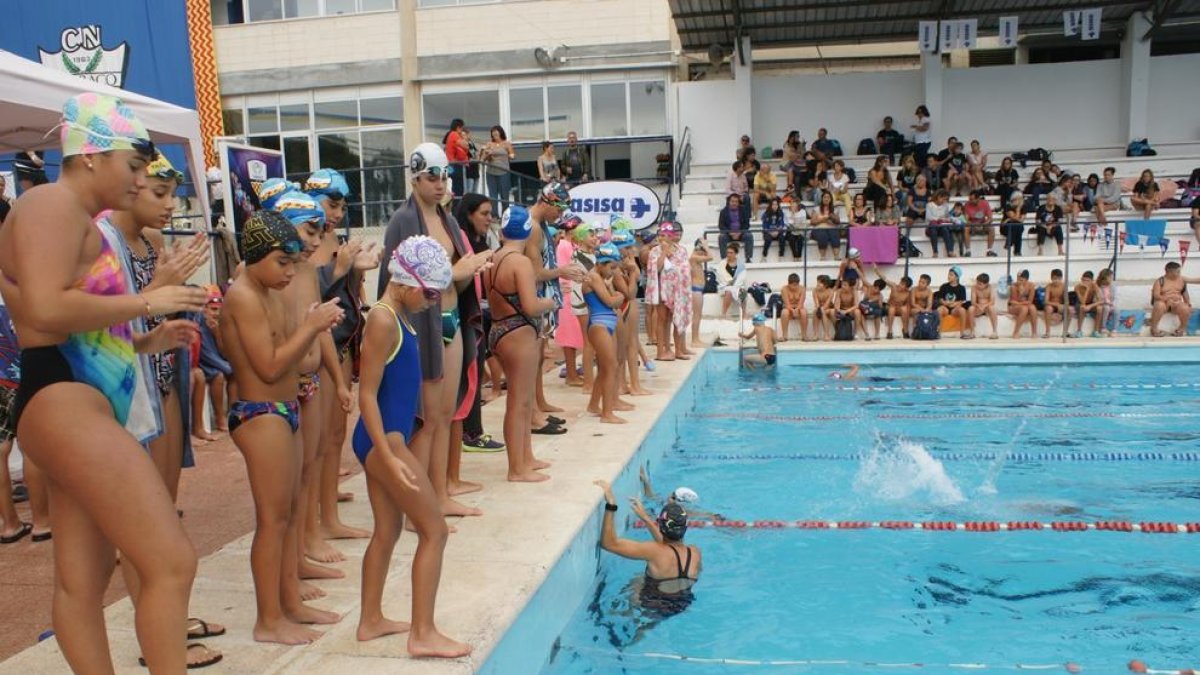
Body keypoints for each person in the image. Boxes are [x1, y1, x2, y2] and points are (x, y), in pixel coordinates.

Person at [0, 93, 210, 671]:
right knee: (169, 560)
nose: (141, 179)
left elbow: (82, 326)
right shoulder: (49, 204)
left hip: (72, 398)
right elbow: (43, 308)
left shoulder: (75, 217)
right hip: (64, 401)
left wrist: (145, 338)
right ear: (92, 155)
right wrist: (147, 298)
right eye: (134, 165)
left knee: (80, 582)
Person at [222, 210, 343, 644]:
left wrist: (314, 325)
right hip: (259, 413)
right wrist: (310, 326)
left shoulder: (269, 289)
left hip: (283, 407)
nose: (289, 271)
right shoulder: (244, 296)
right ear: (254, 257)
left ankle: (290, 603)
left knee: (290, 513)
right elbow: (269, 366)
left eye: (293, 263)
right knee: (272, 520)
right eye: (281, 262)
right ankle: (267, 620)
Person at [350, 234, 471, 658]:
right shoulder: (383, 319)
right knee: (434, 531)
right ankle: (423, 633)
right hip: (384, 443)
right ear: (404, 282)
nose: (433, 301)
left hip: (386, 440)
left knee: (388, 530)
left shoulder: (398, 316)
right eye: (429, 292)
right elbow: (366, 395)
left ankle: (370, 620)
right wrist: (386, 457)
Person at [378, 143, 492, 518]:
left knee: (446, 416)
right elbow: (397, 285)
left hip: (451, 319)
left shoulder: (450, 222)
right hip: (423, 325)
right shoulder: (402, 222)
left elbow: (453, 284)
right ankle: (418, 504)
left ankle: (439, 494)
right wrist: (456, 272)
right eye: (432, 176)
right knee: (425, 420)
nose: (440, 184)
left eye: (445, 176)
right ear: (414, 177)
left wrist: (465, 273)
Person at [105, 153, 210, 504]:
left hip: (163, 375)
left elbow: (160, 312)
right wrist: (158, 288)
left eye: (173, 196)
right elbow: (97, 326)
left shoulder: (153, 239)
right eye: (160, 193)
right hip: (124, 383)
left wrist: (186, 298)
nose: (170, 206)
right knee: (136, 504)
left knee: (166, 496)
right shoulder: (102, 240)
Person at [272, 191, 356, 574]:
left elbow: (318, 326)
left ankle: (308, 540)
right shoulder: (269, 275)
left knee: (312, 463)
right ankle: (297, 553)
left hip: (313, 379)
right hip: (285, 385)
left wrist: (338, 381)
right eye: (310, 230)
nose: (316, 241)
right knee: (290, 478)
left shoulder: (304, 271)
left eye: (319, 232)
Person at [486, 206, 557, 481]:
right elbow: (530, 305)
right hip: (518, 333)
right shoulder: (520, 262)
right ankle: (516, 468)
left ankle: (526, 457)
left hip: (499, 329)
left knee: (524, 401)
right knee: (518, 403)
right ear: (528, 231)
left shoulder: (494, 258)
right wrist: (549, 302)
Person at [521, 183, 584, 433]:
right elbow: (535, 272)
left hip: (541, 299)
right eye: (559, 211)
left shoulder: (541, 225)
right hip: (533, 300)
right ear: (547, 202)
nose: (560, 216)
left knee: (538, 358)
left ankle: (539, 403)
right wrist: (562, 271)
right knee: (532, 359)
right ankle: (532, 414)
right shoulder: (533, 228)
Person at [594, 479, 701, 624]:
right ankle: (646, 627)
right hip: (682, 604)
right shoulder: (695, 552)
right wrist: (645, 517)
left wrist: (611, 505)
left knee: (636, 581)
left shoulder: (653, 551)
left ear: (661, 526)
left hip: (652, 606)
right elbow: (668, 546)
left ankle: (629, 618)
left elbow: (608, 543)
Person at [455, 194, 506, 452]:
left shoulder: (478, 241)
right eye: (484, 214)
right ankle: (470, 433)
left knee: (475, 374)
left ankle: (473, 430)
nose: (489, 219)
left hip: (478, 315)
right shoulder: (461, 243)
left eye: (491, 213)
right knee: (469, 375)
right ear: (468, 214)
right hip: (464, 317)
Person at [584, 245, 633, 423]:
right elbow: (611, 301)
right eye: (611, 267)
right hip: (599, 326)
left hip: (606, 324)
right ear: (601, 263)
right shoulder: (594, 277)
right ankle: (607, 413)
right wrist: (618, 297)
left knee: (606, 367)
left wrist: (617, 296)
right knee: (610, 366)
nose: (613, 272)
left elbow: (615, 298)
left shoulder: (601, 278)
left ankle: (593, 405)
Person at [646, 221, 693, 360]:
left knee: (676, 318)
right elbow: (656, 269)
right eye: (660, 235)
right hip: (662, 290)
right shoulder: (655, 251)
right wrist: (665, 253)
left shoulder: (681, 250)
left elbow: (685, 270)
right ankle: (662, 351)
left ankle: (678, 350)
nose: (662, 238)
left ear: (672, 236)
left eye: (665, 235)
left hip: (678, 291)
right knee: (663, 320)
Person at [566, 223, 598, 391]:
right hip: (582, 300)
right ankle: (588, 383)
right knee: (589, 342)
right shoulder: (579, 256)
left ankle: (591, 380)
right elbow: (590, 278)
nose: (595, 238)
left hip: (588, 299)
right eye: (591, 235)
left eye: (595, 235)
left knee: (593, 341)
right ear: (580, 238)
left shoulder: (590, 254)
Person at [1150, 262, 1191, 337]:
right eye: (1178, 271)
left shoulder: (1182, 280)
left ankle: (1181, 329)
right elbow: (1156, 295)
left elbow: (1185, 293)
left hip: (1176, 304)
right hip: (1164, 304)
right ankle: (1154, 329)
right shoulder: (1159, 281)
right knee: (1159, 305)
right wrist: (1167, 299)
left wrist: (1188, 303)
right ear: (1169, 272)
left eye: (1179, 271)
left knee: (1185, 308)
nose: (1179, 273)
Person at [481, 125, 515, 213]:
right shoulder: (489, 144)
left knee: (504, 195)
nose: (494, 133)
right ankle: (494, 215)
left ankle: (505, 215)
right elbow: (482, 159)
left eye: (496, 131)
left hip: (504, 172)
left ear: (501, 132)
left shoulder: (506, 143)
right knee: (493, 196)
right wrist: (487, 154)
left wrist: (508, 155)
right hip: (491, 172)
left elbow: (512, 155)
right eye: (493, 132)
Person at [873, 266, 912, 339]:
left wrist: (906, 311)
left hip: (899, 309)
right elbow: (884, 279)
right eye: (901, 283)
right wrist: (876, 270)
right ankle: (889, 331)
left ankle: (905, 330)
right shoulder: (894, 286)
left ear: (907, 287)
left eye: (903, 284)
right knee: (892, 308)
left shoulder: (908, 293)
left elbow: (908, 306)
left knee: (904, 309)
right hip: (890, 307)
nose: (900, 285)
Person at [936, 266, 973, 339]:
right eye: (948, 274)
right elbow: (940, 299)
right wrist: (945, 303)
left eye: (951, 275)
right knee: (939, 310)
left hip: (955, 309)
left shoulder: (961, 288)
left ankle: (962, 333)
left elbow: (962, 301)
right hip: (945, 308)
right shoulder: (944, 286)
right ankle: (938, 333)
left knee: (962, 310)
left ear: (957, 277)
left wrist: (954, 304)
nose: (949, 276)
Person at [689, 239, 712, 348]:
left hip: (698, 290)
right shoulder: (694, 257)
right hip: (696, 290)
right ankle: (694, 340)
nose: (705, 254)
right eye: (703, 251)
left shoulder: (695, 258)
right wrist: (706, 245)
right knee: (696, 315)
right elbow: (711, 257)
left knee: (698, 315)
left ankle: (696, 338)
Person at [717, 193, 753, 262]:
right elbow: (721, 225)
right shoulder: (723, 212)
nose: (734, 203)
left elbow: (747, 224)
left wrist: (739, 232)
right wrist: (730, 232)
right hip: (728, 234)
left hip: (741, 233)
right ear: (729, 202)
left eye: (736, 201)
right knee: (721, 237)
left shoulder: (743, 210)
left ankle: (748, 258)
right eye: (732, 201)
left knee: (749, 235)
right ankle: (725, 259)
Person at [715, 243, 746, 318]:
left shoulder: (741, 265)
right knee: (728, 292)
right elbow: (720, 276)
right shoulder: (722, 263)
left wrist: (735, 284)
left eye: (731, 253)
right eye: (728, 252)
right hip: (725, 286)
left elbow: (742, 277)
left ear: (736, 253)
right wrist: (729, 282)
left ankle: (744, 314)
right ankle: (723, 314)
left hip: (737, 285)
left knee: (742, 292)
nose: (729, 254)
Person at [962, 189, 995, 257]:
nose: (970, 201)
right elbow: (966, 220)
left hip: (983, 224)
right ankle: (968, 251)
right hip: (972, 225)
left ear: (978, 199)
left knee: (991, 228)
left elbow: (990, 218)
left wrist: (984, 224)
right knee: (966, 228)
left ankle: (989, 250)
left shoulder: (985, 203)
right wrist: (973, 225)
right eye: (969, 199)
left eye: (972, 199)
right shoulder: (967, 204)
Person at [810, 190, 841, 261]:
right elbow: (812, 222)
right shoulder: (816, 209)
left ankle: (836, 256)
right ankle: (823, 257)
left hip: (832, 228)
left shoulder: (835, 209)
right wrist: (823, 219)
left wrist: (831, 216)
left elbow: (838, 221)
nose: (826, 199)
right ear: (822, 199)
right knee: (822, 234)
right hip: (819, 229)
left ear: (830, 199)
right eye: (824, 197)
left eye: (828, 197)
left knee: (834, 234)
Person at [443, 118, 470, 198]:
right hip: (454, 165)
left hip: (450, 164)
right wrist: (465, 140)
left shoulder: (450, 134)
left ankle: (454, 206)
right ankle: (457, 207)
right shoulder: (454, 134)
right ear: (458, 127)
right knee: (459, 189)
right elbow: (465, 145)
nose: (462, 131)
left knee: (453, 187)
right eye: (462, 128)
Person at [1008, 269, 1038, 339]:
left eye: (1021, 280)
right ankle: (1016, 332)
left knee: (1033, 308)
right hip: (1013, 307)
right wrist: (1020, 292)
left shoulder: (1031, 286)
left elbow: (1030, 301)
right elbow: (1013, 302)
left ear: (1026, 280)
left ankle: (1034, 332)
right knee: (1024, 309)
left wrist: (1021, 302)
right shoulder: (1013, 286)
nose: (1019, 281)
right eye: (1018, 279)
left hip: (1024, 304)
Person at [925, 189, 954, 258]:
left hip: (941, 226)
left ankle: (950, 251)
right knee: (933, 229)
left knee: (945, 229)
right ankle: (935, 252)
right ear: (938, 197)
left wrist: (946, 219)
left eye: (946, 200)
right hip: (931, 227)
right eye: (943, 199)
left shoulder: (945, 205)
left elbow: (947, 216)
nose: (944, 201)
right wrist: (938, 219)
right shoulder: (929, 205)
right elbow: (928, 217)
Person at [779, 273, 808, 342]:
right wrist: (792, 310)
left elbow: (801, 303)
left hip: (799, 307)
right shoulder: (784, 289)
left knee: (804, 312)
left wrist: (797, 309)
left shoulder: (802, 289)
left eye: (796, 285)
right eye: (793, 285)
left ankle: (804, 335)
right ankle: (784, 335)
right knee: (784, 312)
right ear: (789, 283)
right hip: (788, 308)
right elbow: (786, 303)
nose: (794, 287)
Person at [1072, 270, 1100, 339]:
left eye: (1087, 281)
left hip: (1089, 304)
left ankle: (1095, 331)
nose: (1085, 282)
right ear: (1081, 279)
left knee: (1100, 308)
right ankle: (1079, 331)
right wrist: (1087, 289)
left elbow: (1101, 300)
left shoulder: (1094, 286)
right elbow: (1083, 302)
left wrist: (1090, 306)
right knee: (1082, 307)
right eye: (1083, 280)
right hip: (1079, 304)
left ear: (1092, 280)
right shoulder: (1077, 287)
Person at [970, 273, 999, 339]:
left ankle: (995, 332)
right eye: (977, 282)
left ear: (986, 284)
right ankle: (972, 332)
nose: (978, 285)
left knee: (992, 308)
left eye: (980, 284)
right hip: (978, 308)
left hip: (987, 309)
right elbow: (973, 302)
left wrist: (984, 306)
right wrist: (978, 306)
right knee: (971, 308)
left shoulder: (990, 287)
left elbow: (992, 302)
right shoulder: (974, 287)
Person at [1042, 268, 1067, 339]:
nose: (1056, 281)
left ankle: (1065, 331)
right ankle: (1047, 332)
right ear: (1051, 278)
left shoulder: (1063, 286)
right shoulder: (1049, 286)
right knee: (1048, 308)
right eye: (1055, 278)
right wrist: (1056, 305)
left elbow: (1066, 300)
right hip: (1051, 305)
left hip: (1060, 306)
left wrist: (1063, 305)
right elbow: (1046, 301)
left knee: (1070, 310)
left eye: (1058, 279)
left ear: (1061, 278)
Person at [1096, 268, 1116, 337]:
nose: (1112, 279)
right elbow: (1098, 298)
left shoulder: (1112, 286)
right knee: (1106, 308)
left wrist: (1110, 302)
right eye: (1110, 277)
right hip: (1100, 303)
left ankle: (1114, 329)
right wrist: (1106, 302)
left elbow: (1112, 297)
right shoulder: (1098, 285)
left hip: (1109, 303)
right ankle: (1103, 327)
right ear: (1105, 277)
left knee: (1117, 310)